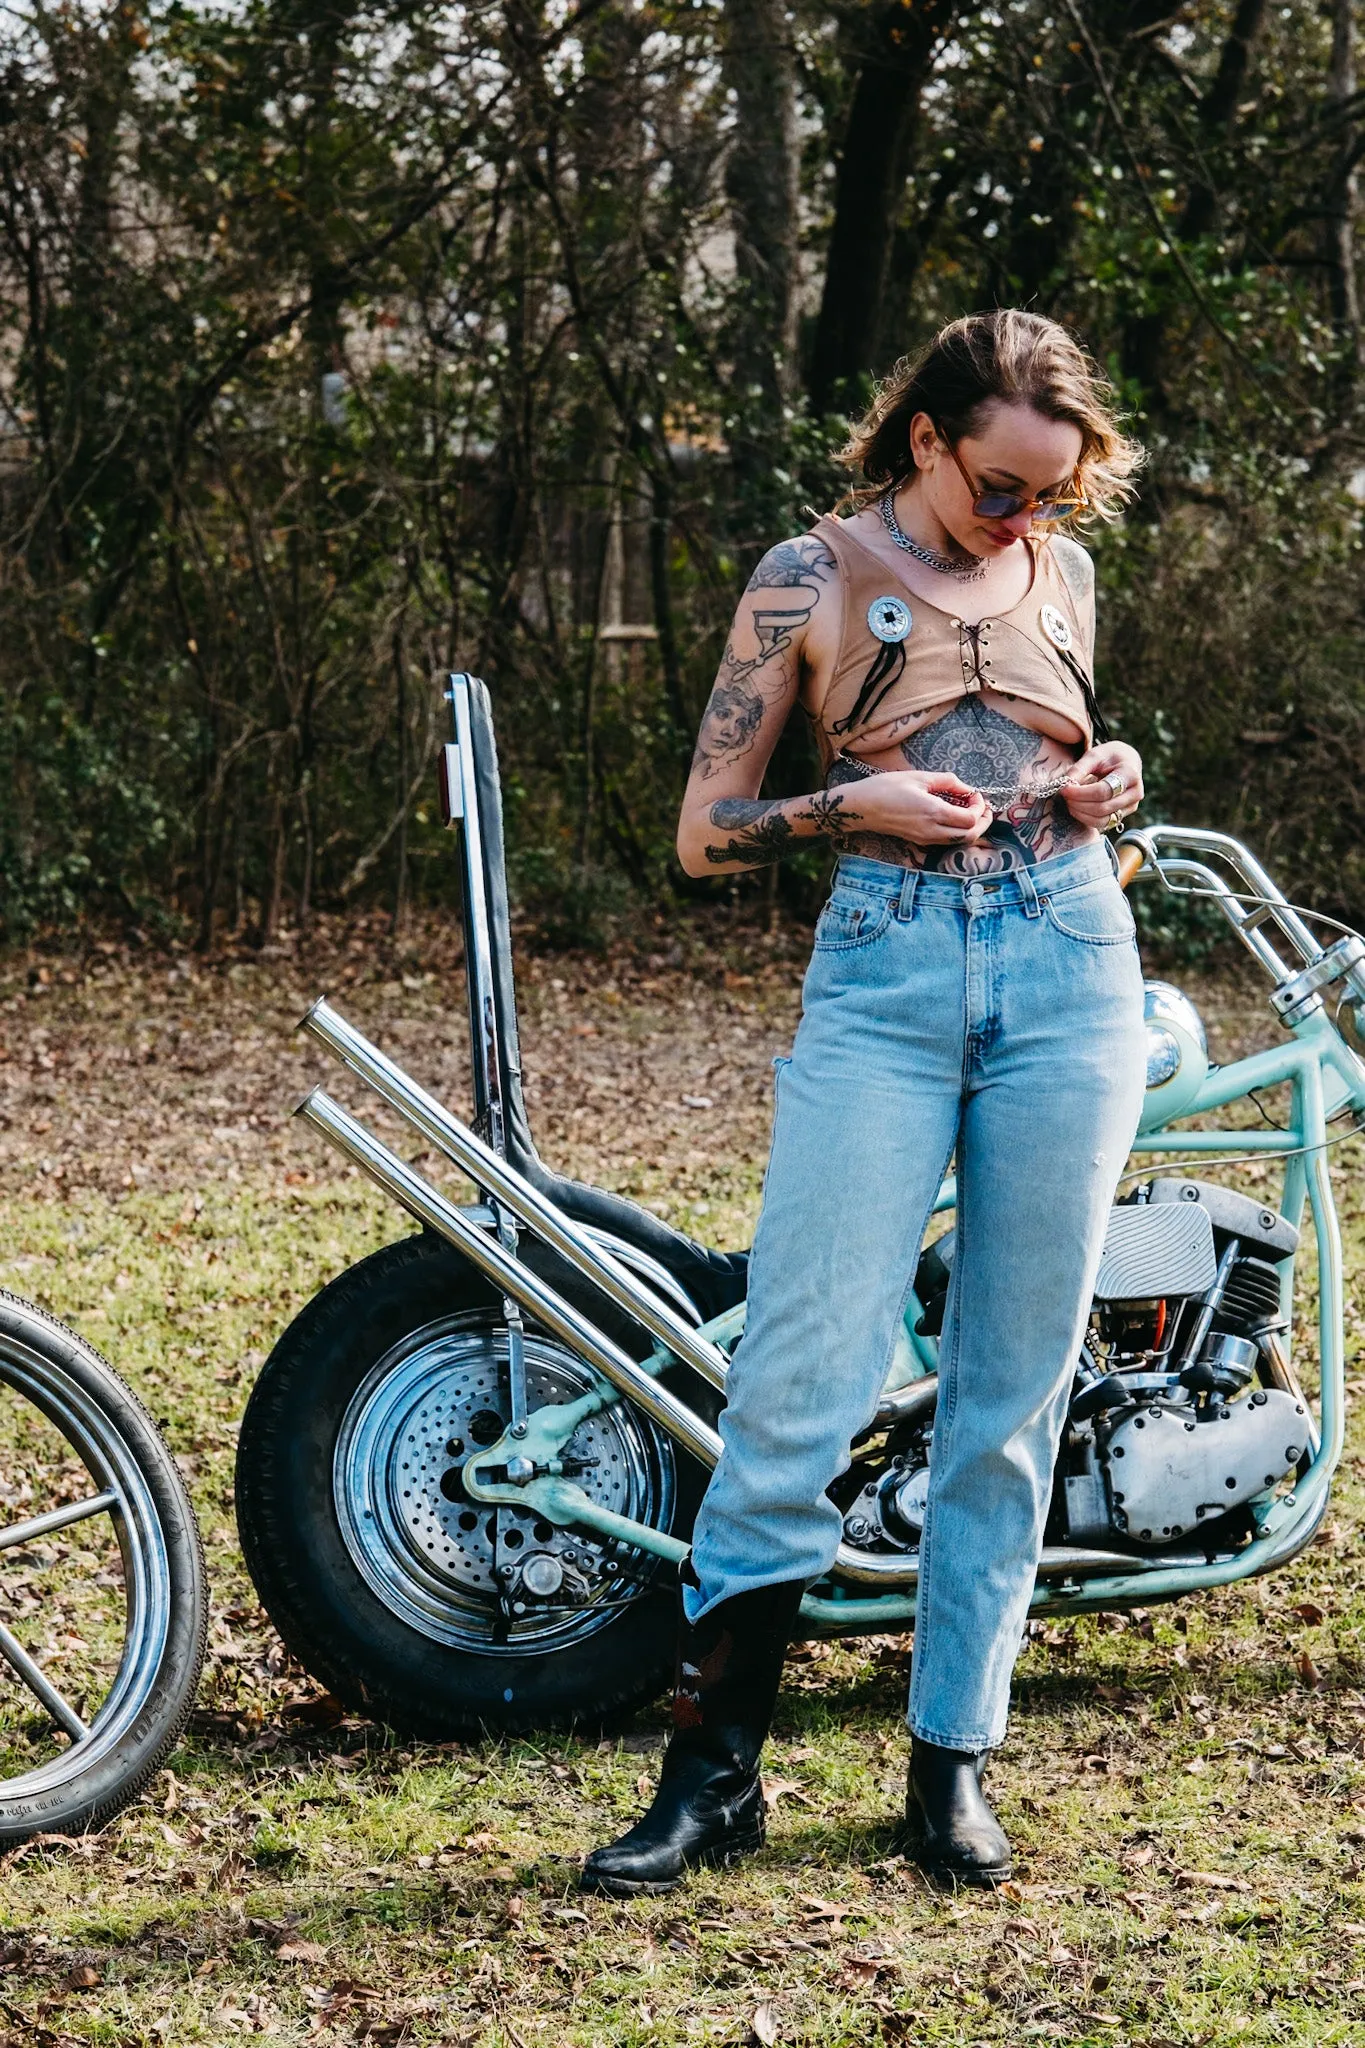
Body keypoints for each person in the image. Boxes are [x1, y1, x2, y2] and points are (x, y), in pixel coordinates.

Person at [581, 309, 1148, 1895]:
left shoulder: (1067, 574)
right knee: (798, 1381)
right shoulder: (808, 577)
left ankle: (950, 1769)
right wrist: (856, 801)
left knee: (1010, 1398)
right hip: (885, 975)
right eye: (1000, 485)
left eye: (1053, 488)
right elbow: (704, 832)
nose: (1026, 517)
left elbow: (1071, 751)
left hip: (1070, 962)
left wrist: (1116, 782)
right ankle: (711, 1778)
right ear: (927, 442)